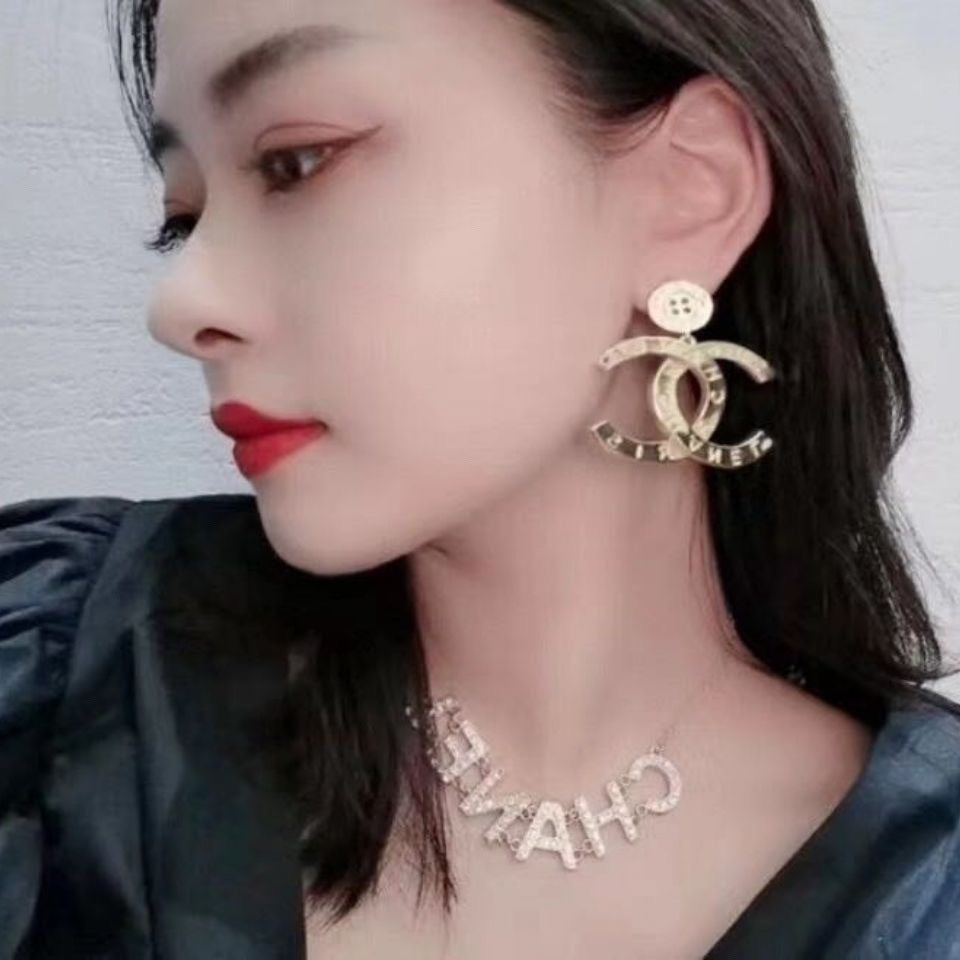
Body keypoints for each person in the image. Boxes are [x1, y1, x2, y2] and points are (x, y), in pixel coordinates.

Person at [1, 0, 959, 957]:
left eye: (297, 161)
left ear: (688, 189)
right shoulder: (65, 685)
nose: (180, 305)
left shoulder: (927, 895)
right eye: (186, 216)